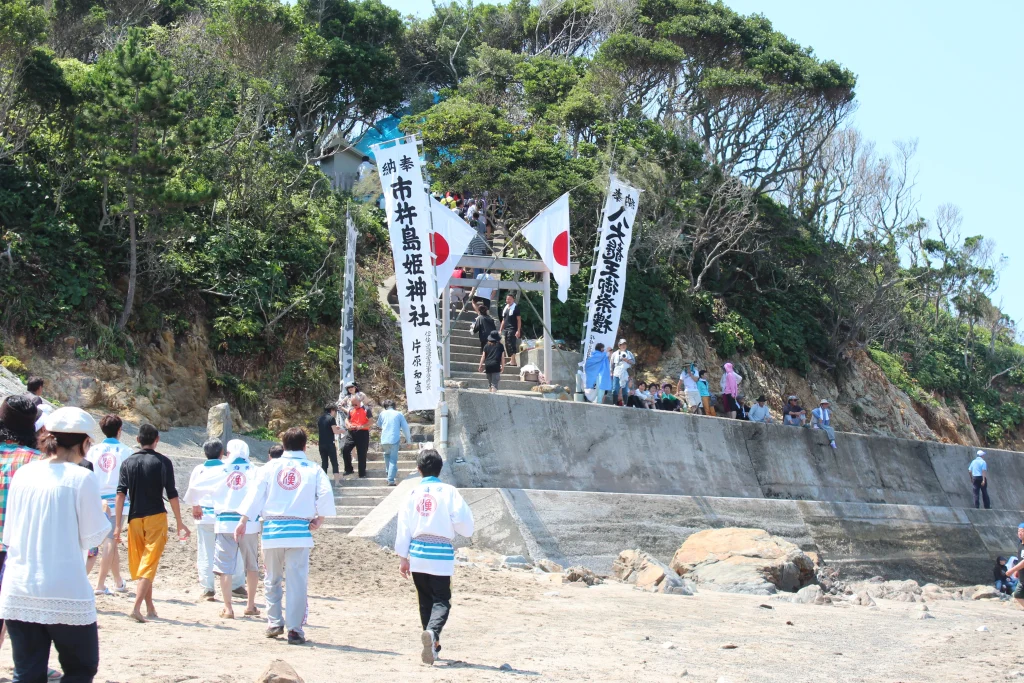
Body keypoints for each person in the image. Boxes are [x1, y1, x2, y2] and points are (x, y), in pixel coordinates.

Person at [0, 407, 110, 683]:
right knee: (80, 669)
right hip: (64, 588)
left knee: (27, 672)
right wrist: (104, 512)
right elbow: (93, 537)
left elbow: (9, 534)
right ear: (84, 442)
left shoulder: (24, 474)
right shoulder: (81, 477)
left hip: (19, 587)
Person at [236, 427, 335, 645]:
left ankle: (273, 622)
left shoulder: (269, 467)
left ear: (283, 443)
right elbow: (326, 494)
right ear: (304, 445)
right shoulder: (313, 468)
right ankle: (295, 629)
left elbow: (255, 495)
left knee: (272, 578)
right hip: (299, 531)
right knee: (297, 581)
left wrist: (243, 521)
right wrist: (320, 518)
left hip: (272, 530)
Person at [395, 449, 475, 666]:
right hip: (440, 553)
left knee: (424, 600)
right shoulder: (449, 491)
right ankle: (432, 632)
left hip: (418, 551)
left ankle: (433, 644)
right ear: (440, 469)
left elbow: (403, 527)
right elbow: (465, 526)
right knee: (442, 600)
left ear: (418, 469)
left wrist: (403, 558)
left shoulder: (411, 494)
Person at [115, 423, 190, 623]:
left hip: (134, 518)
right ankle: (136, 607)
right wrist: (180, 522)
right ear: (157, 440)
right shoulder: (164, 462)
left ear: (138, 440)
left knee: (143, 563)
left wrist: (117, 526)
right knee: (149, 563)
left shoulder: (127, 463)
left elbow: (120, 494)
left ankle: (149, 607)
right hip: (156, 516)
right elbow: (172, 493)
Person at [188, 440, 260, 619]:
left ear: (228, 453)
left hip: (225, 522)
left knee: (224, 566)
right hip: (249, 522)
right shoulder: (255, 471)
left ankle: (228, 608)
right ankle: (250, 605)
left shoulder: (221, 470)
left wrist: (194, 502)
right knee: (251, 565)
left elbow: (195, 488)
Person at [183, 439, 245, 602]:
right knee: (234, 550)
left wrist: (195, 505)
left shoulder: (199, 469)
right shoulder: (227, 468)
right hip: (224, 516)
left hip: (204, 515)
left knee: (206, 551)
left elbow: (193, 490)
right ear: (222, 453)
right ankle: (237, 585)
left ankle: (208, 587)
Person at [85, 415, 132, 595]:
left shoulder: (93, 450)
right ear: (119, 430)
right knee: (111, 540)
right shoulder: (125, 451)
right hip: (118, 499)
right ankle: (100, 583)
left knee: (108, 540)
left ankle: (118, 581)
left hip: (96, 498)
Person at [377, 400, 411, 486]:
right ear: (394, 406)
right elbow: (405, 428)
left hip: (384, 439)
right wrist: (408, 440)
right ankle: (390, 480)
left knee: (386, 455)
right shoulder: (399, 414)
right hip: (394, 439)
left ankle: (388, 473)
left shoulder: (382, 413)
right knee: (393, 459)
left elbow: (379, 424)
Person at [341, 394, 373, 478]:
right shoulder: (351, 410)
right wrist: (348, 425)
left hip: (362, 433)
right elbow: (347, 419)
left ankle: (362, 473)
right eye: (353, 404)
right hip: (352, 432)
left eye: (356, 404)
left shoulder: (366, 409)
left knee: (362, 454)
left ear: (360, 402)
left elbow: (371, 422)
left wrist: (361, 426)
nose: (354, 406)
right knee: (345, 450)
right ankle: (348, 469)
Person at [317, 403, 343, 484]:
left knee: (324, 462)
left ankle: (323, 482)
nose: (335, 413)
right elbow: (335, 431)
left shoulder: (320, 418)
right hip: (330, 444)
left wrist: (335, 428)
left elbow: (326, 429)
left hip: (321, 444)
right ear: (332, 410)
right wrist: (342, 431)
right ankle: (337, 482)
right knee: (334, 462)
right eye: (335, 411)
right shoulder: (331, 418)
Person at [609, 340, 636, 406]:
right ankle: (614, 403)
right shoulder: (615, 353)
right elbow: (611, 363)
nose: (623, 346)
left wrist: (627, 360)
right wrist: (611, 372)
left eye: (625, 344)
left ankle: (625, 404)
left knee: (625, 389)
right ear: (619, 346)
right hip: (617, 372)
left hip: (625, 372)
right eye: (622, 344)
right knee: (615, 388)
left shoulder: (629, 353)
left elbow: (633, 362)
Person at [498, 294, 522, 368]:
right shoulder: (505, 308)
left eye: (510, 299)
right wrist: (500, 329)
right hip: (506, 328)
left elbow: (519, 320)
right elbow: (503, 320)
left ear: (513, 299)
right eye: (507, 299)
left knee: (511, 344)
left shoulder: (516, 308)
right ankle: (512, 360)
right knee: (507, 344)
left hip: (513, 329)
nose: (508, 300)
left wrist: (518, 330)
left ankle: (513, 361)